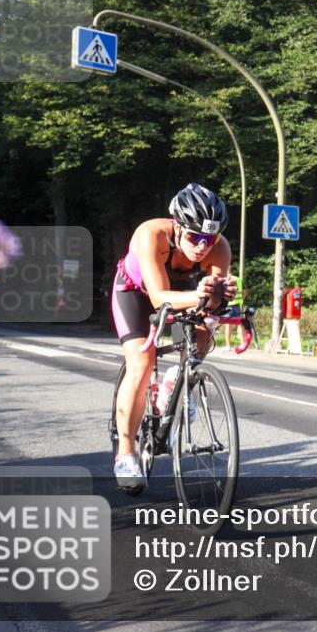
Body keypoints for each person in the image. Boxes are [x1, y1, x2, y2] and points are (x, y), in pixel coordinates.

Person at [110, 183, 237, 492]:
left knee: (204, 329)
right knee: (142, 363)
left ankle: (178, 382)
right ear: (177, 226)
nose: (202, 246)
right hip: (136, 293)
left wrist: (219, 296)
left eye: (210, 239)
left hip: (183, 293)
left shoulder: (220, 248)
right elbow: (158, 298)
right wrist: (200, 295)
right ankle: (125, 454)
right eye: (194, 237)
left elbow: (211, 303)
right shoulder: (150, 234)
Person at [222, 273, 245, 351]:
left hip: (228, 305)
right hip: (237, 305)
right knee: (239, 324)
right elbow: (244, 292)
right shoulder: (239, 279)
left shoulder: (224, 280)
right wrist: (241, 299)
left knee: (228, 326)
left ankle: (228, 346)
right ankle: (243, 344)